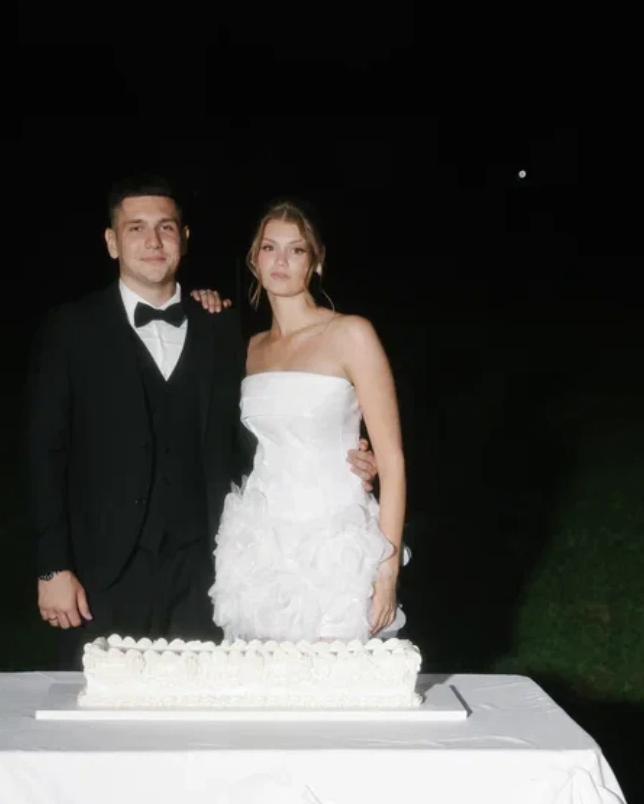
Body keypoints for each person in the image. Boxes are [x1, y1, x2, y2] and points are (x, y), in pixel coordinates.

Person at [27, 175, 378, 663]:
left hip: (206, 573)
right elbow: (44, 453)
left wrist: (346, 458)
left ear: (184, 238)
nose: (153, 241)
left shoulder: (222, 326)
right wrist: (52, 568)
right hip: (102, 575)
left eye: (166, 227)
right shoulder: (71, 328)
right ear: (111, 242)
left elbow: (259, 430)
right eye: (136, 228)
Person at [210, 199, 407, 642]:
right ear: (254, 259)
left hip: (334, 541)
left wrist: (387, 567)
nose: (280, 260)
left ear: (315, 262)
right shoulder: (252, 349)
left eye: (296, 250)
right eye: (270, 248)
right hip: (260, 543)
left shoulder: (351, 334)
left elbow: (392, 461)